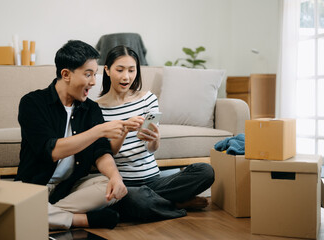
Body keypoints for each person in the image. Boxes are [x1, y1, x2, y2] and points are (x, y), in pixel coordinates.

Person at [15, 40, 130, 230]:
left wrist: (116, 177)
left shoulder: (90, 109)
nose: (93, 82)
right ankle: (78, 220)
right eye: (88, 74)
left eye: (95, 74)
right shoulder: (32, 103)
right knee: (11, 198)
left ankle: (39, 215)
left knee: (108, 185)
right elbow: (51, 151)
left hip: (70, 189)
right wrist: (98, 131)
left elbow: (101, 152)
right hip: (34, 187)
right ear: (66, 74)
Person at [96, 45, 215, 221]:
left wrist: (155, 140)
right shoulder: (96, 108)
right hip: (125, 184)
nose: (126, 77)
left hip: (154, 180)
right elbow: (108, 152)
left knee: (205, 171)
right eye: (119, 70)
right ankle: (175, 203)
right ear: (107, 70)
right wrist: (123, 130)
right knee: (137, 199)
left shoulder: (147, 99)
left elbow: (151, 149)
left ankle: (156, 202)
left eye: (131, 70)